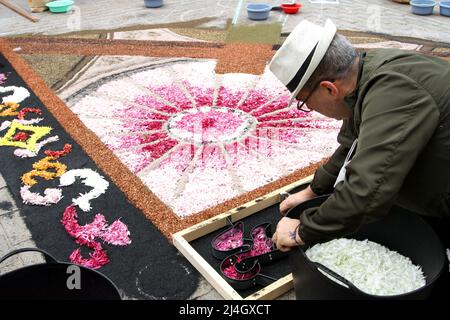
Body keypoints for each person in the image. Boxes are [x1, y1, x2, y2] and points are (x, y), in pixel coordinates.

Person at [268, 19, 450, 258]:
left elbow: (369, 190)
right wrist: (312, 191)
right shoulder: (366, 72)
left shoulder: (394, 93)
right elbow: (351, 144)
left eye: (305, 103)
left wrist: (301, 231)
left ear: (329, 89)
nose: (310, 109)